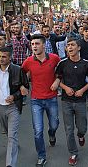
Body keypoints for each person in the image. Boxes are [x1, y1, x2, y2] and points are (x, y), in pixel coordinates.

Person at [21, 34, 61, 166]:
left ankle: (52, 133)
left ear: (44, 45)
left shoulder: (54, 58)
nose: (34, 46)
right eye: (32, 44)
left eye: (37, 44)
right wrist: (22, 86)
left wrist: (57, 80)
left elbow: (61, 71)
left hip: (52, 98)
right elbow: (20, 75)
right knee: (38, 131)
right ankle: (41, 156)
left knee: (54, 124)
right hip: (36, 100)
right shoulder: (28, 61)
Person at [0, 47, 29, 167]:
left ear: (10, 58)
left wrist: (15, 96)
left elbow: (25, 87)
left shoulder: (18, 70)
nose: (1, 59)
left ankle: (10, 164)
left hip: (13, 107)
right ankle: (14, 144)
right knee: (8, 132)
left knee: (11, 136)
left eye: (4, 56)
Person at [55, 37, 88, 166]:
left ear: (79, 48)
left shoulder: (86, 64)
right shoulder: (62, 63)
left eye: (72, 45)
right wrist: (65, 88)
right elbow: (57, 80)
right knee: (69, 129)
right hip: (66, 101)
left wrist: (83, 90)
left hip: (81, 100)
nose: (70, 47)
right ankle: (73, 153)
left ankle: (81, 135)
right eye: (68, 46)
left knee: (81, 127)